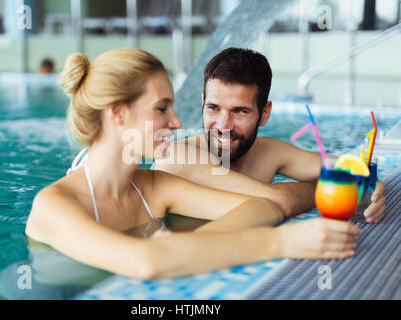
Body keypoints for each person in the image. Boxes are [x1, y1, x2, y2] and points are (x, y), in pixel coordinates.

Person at [25, 48, 361, 280]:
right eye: (162, 108)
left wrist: (186, 246)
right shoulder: (53, 205)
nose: (175, 122)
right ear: (117, 112)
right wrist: (284, 243)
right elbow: (145, 262)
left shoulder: (154, 187)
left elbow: (264, 207)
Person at [153, 47, 386, 223]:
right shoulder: (175, 156)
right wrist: (324, 188)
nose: (223, 125)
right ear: (203, 102)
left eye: (240, 111)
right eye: (214, 108)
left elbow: (349, 168)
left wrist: (370, 186)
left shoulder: (268, 152)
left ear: (264, 114)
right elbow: (278, 201)